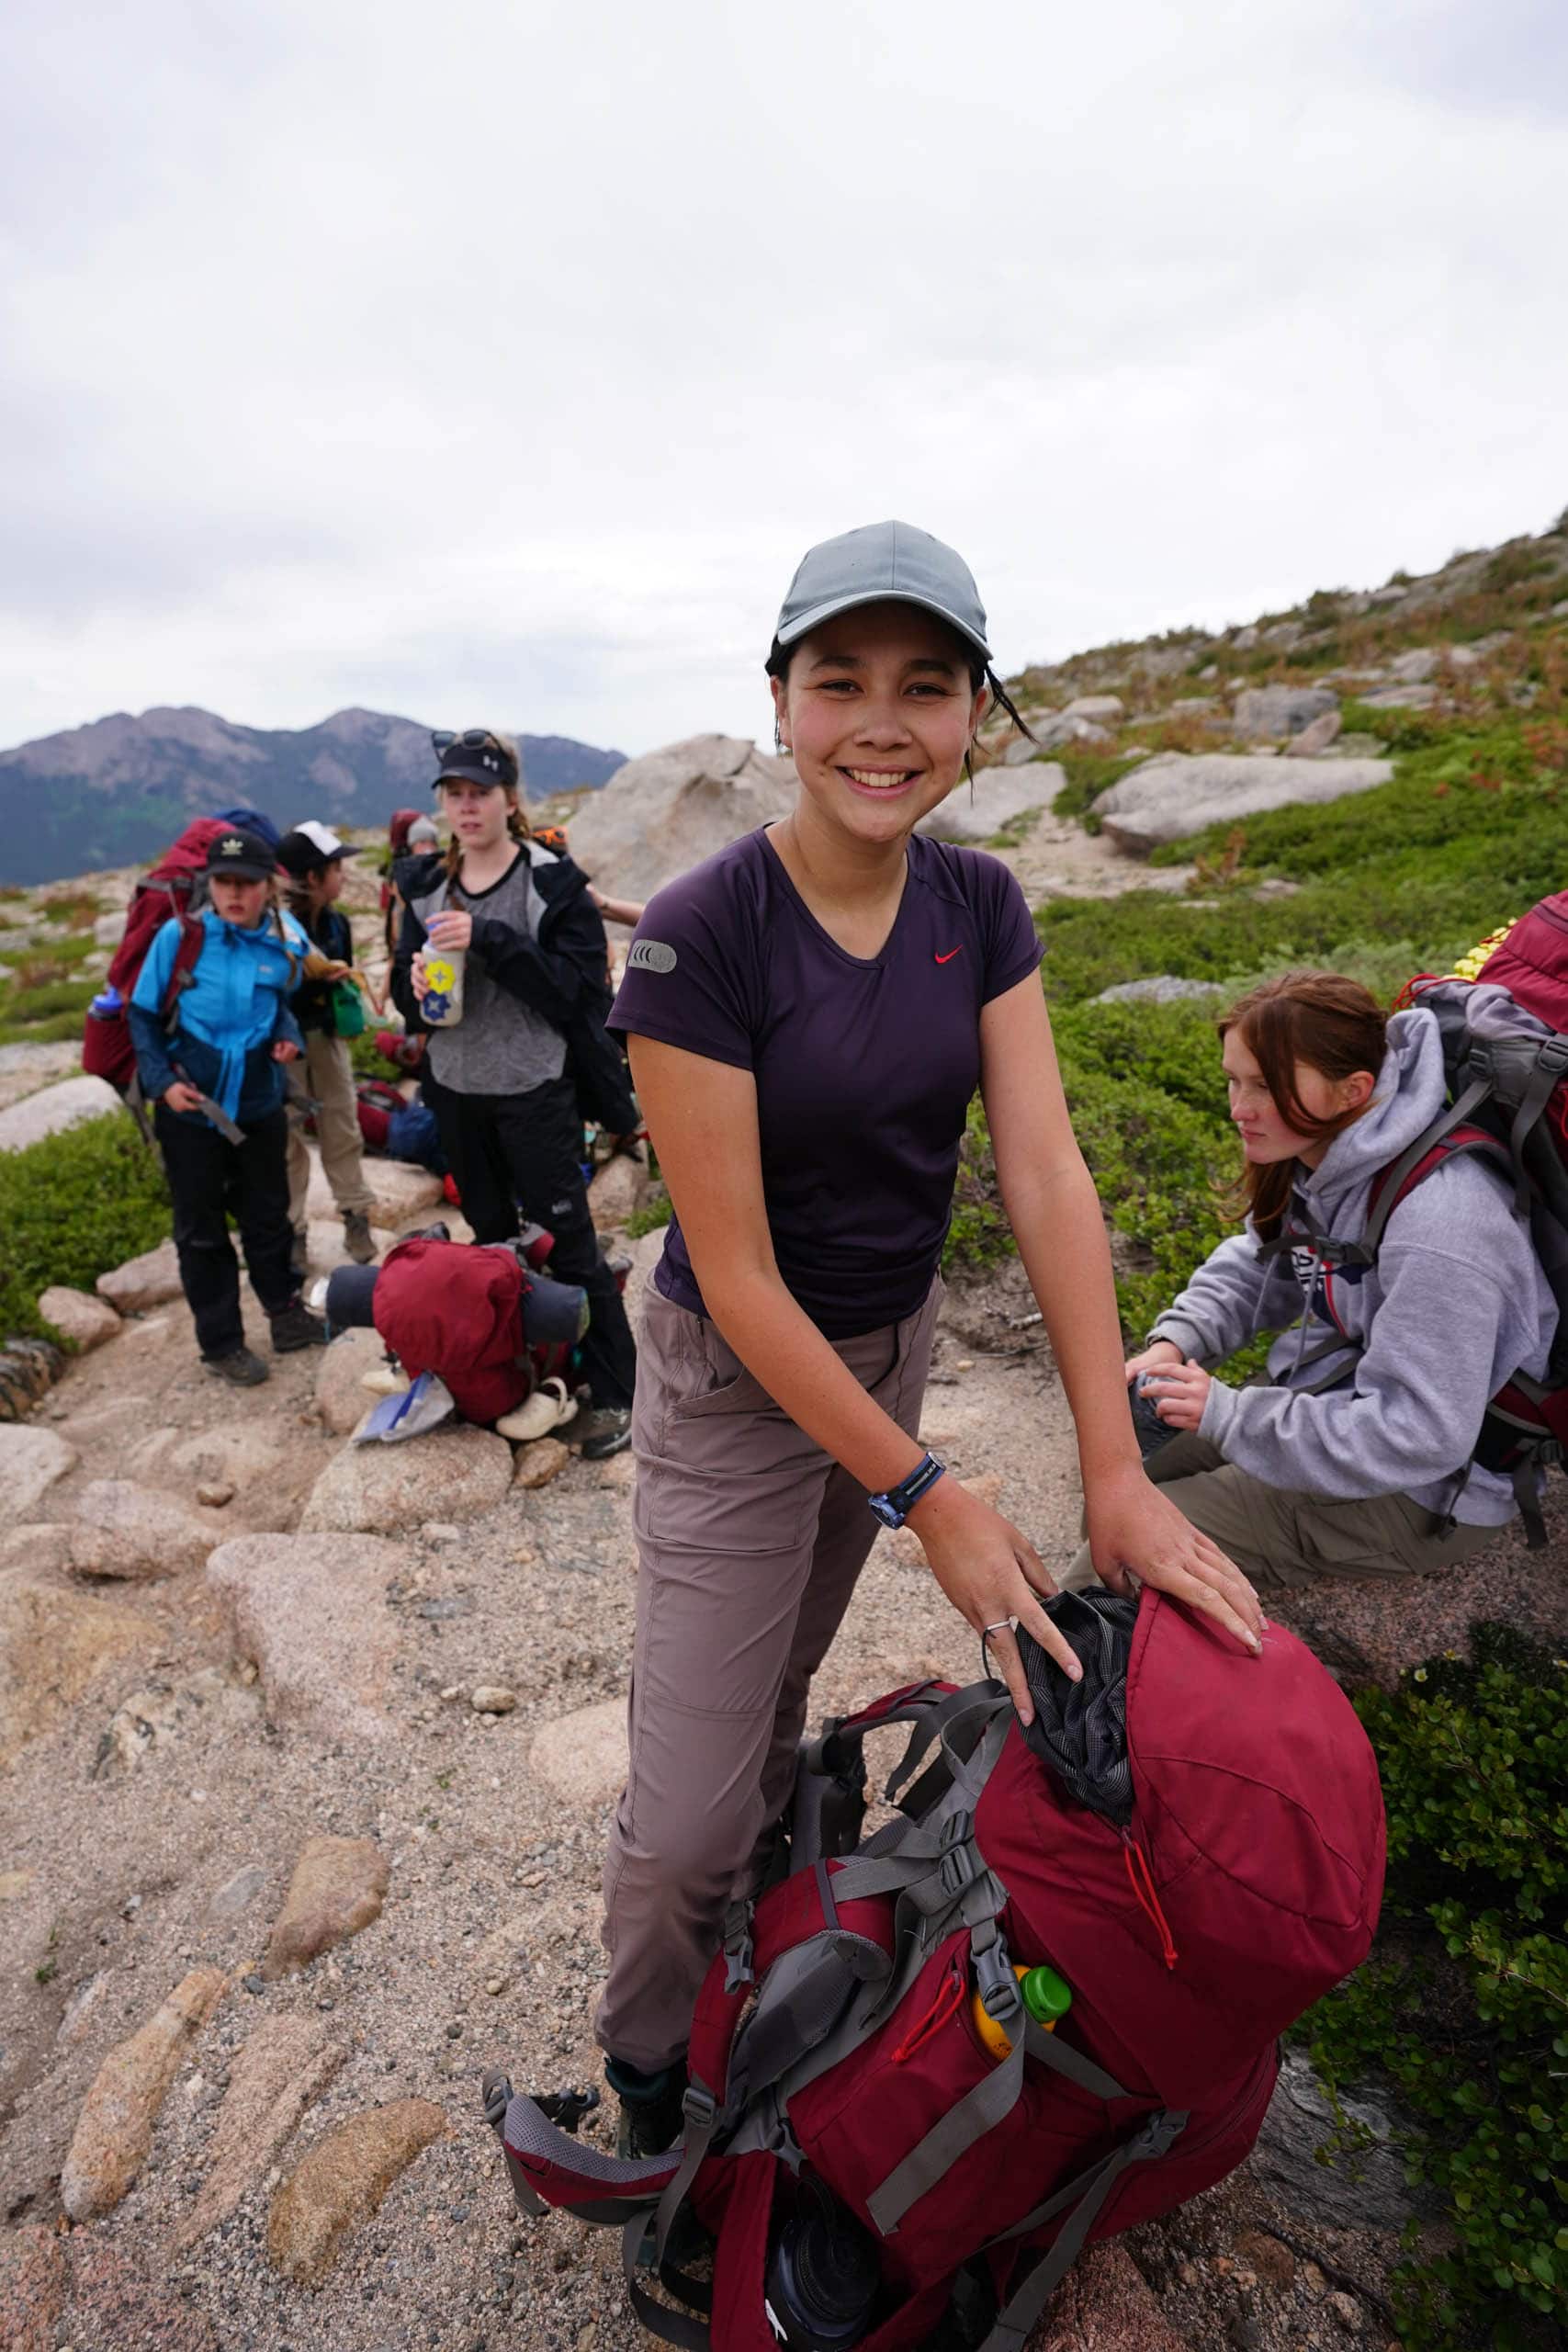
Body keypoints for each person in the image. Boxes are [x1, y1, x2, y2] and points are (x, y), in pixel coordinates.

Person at [595, 519, 1262, 2154]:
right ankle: (644, 2083)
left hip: (884, 1353)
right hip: (737, 1381)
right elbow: (740, 1279)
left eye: (924, 684)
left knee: (776, 1690)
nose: (879, 723)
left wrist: (1116, 1468)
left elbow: (1040, 1169)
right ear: (777, 705)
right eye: (839, 682)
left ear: (976, 711)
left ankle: (758, 1952)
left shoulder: (981, 903)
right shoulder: (701, 932)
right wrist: (933, 1496)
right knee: (683, 1817)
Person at [1060, 970, 1558, 1594]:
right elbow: (1262, 1258)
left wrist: (1229, 1415)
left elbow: (1420, 1436)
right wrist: (1177, 1341)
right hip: (1335, 1400)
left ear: (1353, 1089)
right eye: (1232, 1079)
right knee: (1120, 1471)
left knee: (1118, 1560)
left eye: (1263, 1087)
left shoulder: (1441, 1222)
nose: (1238, 1109)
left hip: (1426, 1492)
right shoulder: (1323, 1153)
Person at [389, 729, 638, 1458]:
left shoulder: (549, 881)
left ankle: (617, 1393)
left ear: (509, 800)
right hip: (458, 1091)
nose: (467, 807)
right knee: (493, 1242)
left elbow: (575, 993)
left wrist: (492, 942)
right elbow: (416, 1004)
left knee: (570, 1247)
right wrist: (410, 989)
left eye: (481, 793)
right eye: (455, 794)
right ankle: (522, 1371)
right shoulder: (427, 886)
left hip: (535, 1089)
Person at [129, 826, 327, 1384]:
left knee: (268, 1218)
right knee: (202, 1231)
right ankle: (221, 1345)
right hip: (191, 1108)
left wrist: (285, 1035)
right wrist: (162, 1083)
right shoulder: (180, 938)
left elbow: (280, 1003)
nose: (234, 894)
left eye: (246, 883)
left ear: (269, 887)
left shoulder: (283, 942)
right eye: (224, 883)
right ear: (209, 886)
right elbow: (142, 1015)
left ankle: (286, 1318)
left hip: (260, 1104)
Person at [276, 821, 378, 1272]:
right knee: (288, 1137)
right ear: (313, 877)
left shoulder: (337, 923)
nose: (343, 877)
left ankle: (356, 1215)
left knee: (342, 1121)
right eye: (336, 868)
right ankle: (294, 1230)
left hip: (329, 1036)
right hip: (288, 1043)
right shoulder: (277, 926)